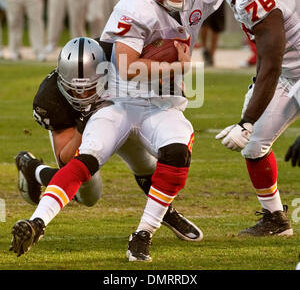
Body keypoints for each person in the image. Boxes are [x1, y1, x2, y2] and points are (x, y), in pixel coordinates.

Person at [10, 0, 293, 261]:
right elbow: (127, 67)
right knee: (87, 165)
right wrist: (178, 63)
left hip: (164, 103)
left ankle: (143, 232)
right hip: (121, 99)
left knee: (176, 152)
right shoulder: (134, 8)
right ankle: (36, 223)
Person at [10, 36, 203, 256]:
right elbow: (66, 157)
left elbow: (153, 64)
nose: (83, 96)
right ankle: (32, 168)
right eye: (75, 90)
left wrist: (169, 78)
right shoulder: (50, 98)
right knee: (89, 195)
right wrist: (83, 127)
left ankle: (164, 211)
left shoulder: (119, 58)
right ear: (62, 81)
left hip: (119, 111)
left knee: (146, 164)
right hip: (81, 129)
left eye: (90, 88)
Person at [213, 0, 299, 236]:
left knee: (249, 134)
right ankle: (276, 220)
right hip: (291, 72)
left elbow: (272, 62)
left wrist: (246, 120)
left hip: (291, 70)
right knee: (253, 147)